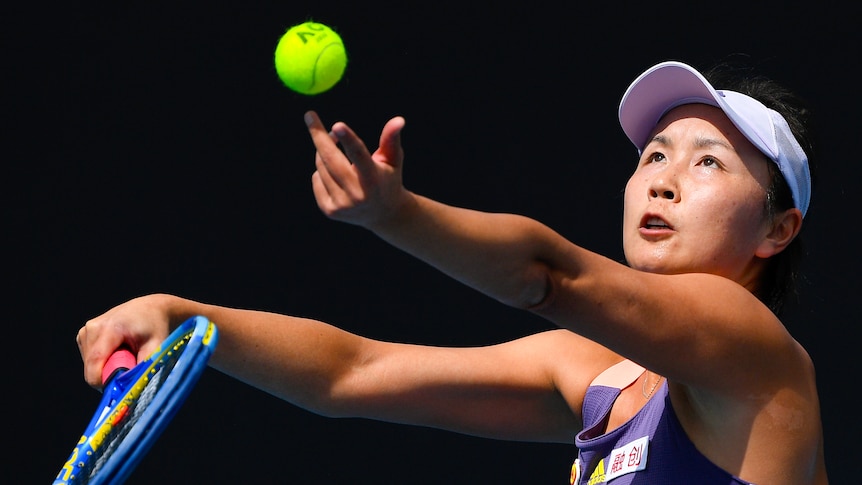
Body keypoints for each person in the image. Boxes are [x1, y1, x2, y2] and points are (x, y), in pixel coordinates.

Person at [75, 60, 828, 484]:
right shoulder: (601, 379)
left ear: (777, 228)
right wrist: (186, 318)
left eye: (708, 162)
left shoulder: (754, 354)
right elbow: (350, 372)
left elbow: (547, 274)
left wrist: (395, 214)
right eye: (654, 155)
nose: (663, 179)